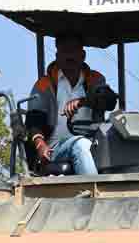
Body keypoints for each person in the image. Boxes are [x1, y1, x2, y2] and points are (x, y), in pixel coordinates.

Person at [25, 34, 117, 176]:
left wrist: (82, 102)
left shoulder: (95, 79)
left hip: (95, 144)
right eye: (65, 51)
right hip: (56, 148)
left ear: (83, 55)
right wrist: (40, 144)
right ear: (57, 56)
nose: (69, 56)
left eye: (73, 50)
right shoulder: (44, 85)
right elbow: (33, 122)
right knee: (81, 145)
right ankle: (94, 189)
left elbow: (109, 100)